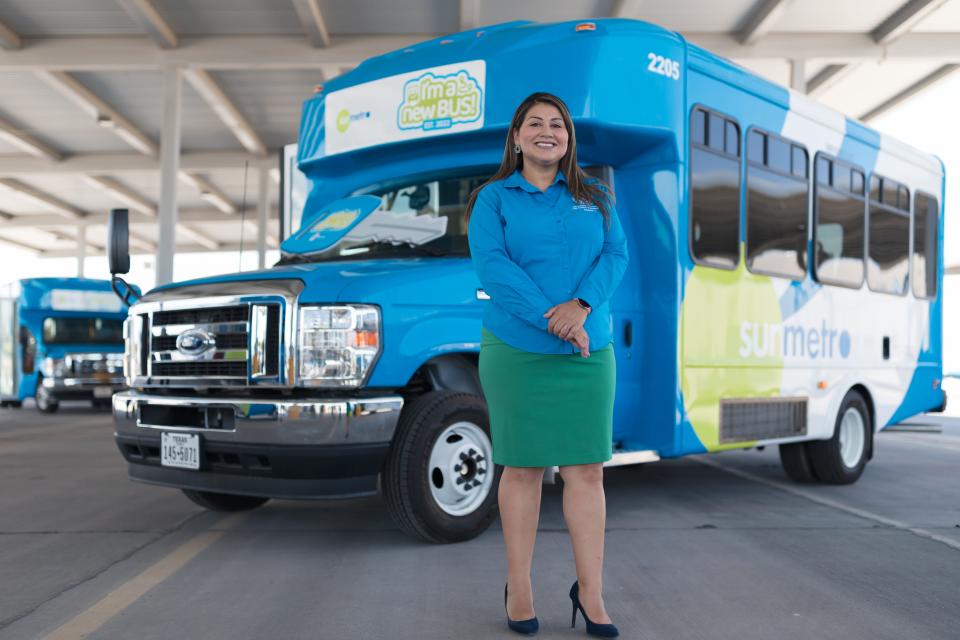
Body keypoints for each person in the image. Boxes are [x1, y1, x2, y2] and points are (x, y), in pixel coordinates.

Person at [466, 92, 629, 637]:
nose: (546, 131)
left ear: (568, 139)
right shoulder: (492, 199)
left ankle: (591, 593)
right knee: (525, 468)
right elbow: (493, 266)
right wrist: (550, 317)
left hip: (588, 349)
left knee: (586, 470)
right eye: (534, 123)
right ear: (516, 137)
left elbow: (616, 255)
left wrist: (579, 307)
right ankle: (521, 586)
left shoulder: (596, 196)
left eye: (556, 124)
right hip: (517, 351)